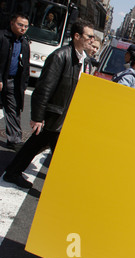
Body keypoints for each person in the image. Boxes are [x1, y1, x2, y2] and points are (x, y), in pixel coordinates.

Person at [2, 19, 95, 189]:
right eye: (89, 36)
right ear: (76, 36)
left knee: (35, 145)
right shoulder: (61, 56)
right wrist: (38, 117)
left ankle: (13, 172)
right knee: (60, 154)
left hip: (63, 115)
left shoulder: (81, 59)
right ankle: (61, 188)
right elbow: (44, 88)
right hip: (54, 115)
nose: (92, 39)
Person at [0, 13, 31, 151]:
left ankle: (14, 140)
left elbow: (26, 65)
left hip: (14, 82)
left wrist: (23, 85)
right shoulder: (2, 37)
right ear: (12, 23)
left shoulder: (24, 43)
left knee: (14, 110)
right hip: (1, 79)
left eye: (26, 26)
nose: (23, 28)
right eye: (20, 25)